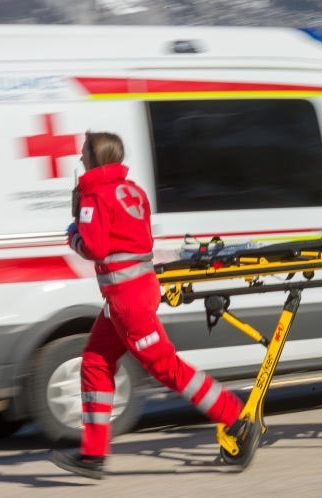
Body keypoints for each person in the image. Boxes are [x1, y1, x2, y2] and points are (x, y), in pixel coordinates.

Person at [51, 132, 260, 479]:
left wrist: (74, 233)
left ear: (95, 156)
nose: (80, 157)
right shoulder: (132, 190)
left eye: (84, 151)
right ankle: (93, 455)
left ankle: (237, 420)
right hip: (134, 293)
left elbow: (96, 248)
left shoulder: (94, 196)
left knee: (166, 368)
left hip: (126, 301)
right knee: (95, 362)